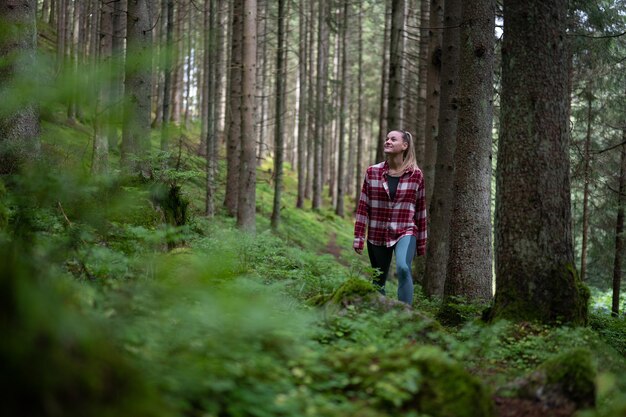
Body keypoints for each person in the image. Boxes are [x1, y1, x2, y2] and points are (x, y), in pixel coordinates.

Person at [353, 130, 427, 305]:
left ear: (404, 146)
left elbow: (420, 210)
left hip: (405, 230)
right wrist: (358, 237)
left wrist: (422, 242)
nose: (388, 141)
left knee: (403, 267)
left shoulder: (416, 175)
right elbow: (363, 206)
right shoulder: (372, 172)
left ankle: (406, 316)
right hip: (377, 233)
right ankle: (380, 317)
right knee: (378, 279)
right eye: (386, 139)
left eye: (393, 139)